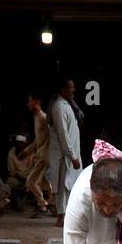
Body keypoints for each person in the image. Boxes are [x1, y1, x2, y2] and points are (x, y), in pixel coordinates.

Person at [48, 78, 82, 224]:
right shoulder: (59, 107)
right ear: (63, 90)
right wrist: (73, 156)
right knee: (63, 185)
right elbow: (63, 135)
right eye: (70, 87)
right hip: (65, 155)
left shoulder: (66, 105)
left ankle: (65, 215)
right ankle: (61, 217)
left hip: (70, 154)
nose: (73, 90)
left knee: (70, 185)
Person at [22, 93, 53, 216]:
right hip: (42, 155)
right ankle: (51, 204)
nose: (28, 104)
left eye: (30, 101)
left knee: (31, 181)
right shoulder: (36, 118)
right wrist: (27, 151)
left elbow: (52, 136)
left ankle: (43, 203)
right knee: (46, 183)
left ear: (37, 102)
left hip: (44, 156)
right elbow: (38, 140)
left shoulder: (43, 118)